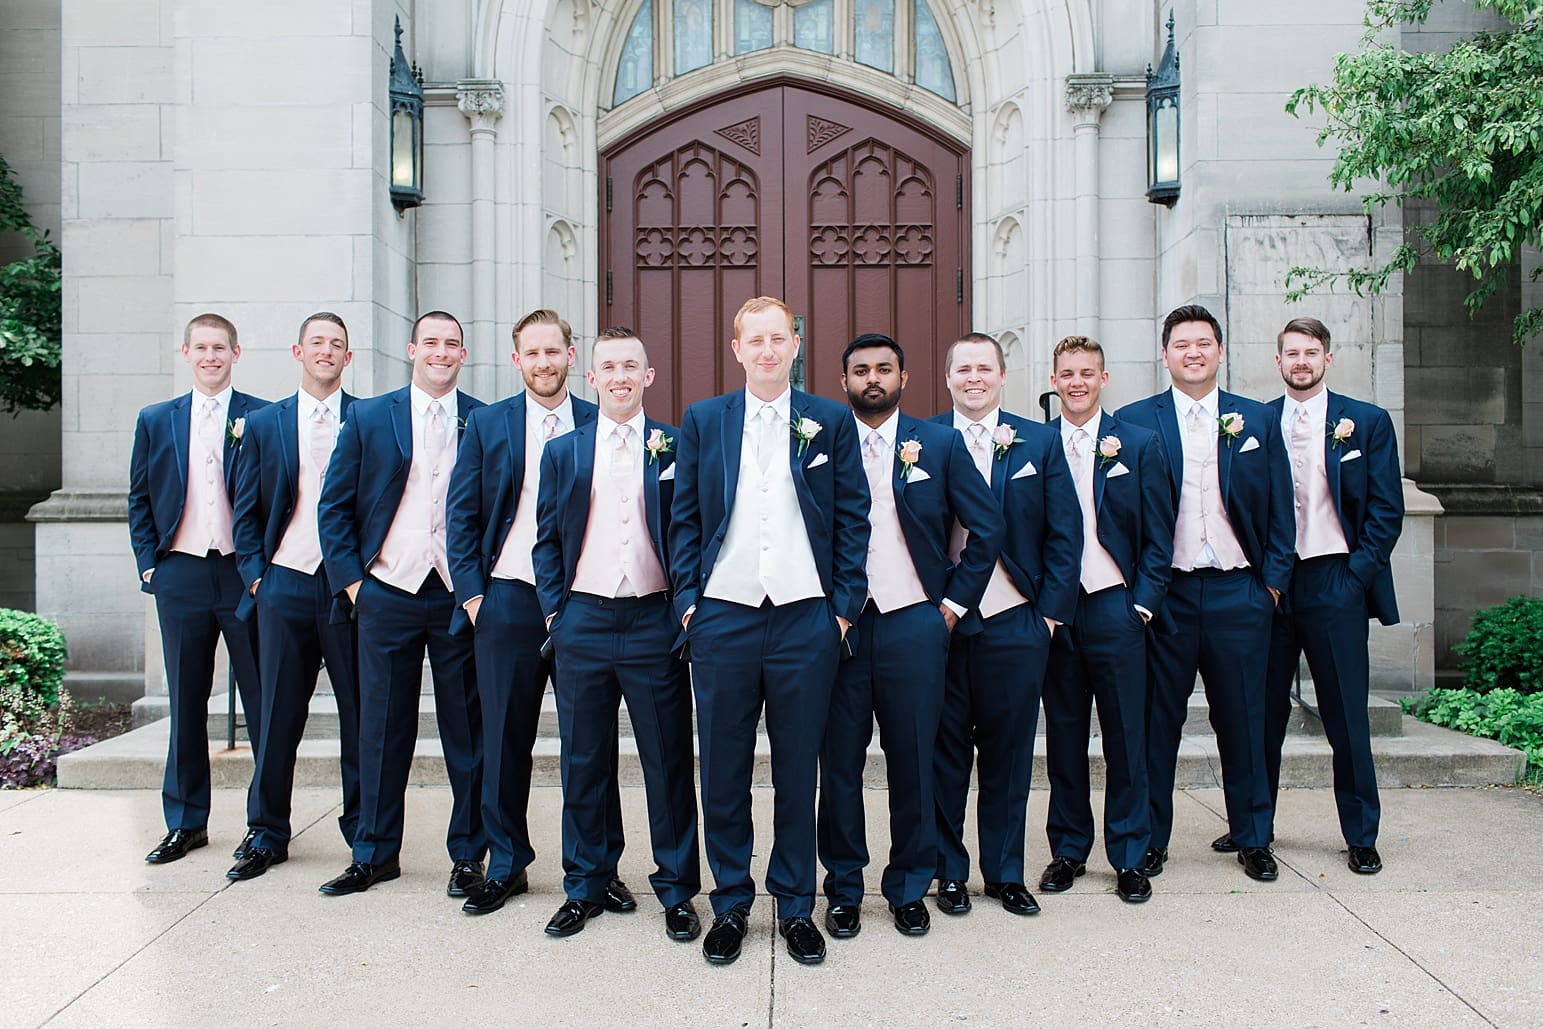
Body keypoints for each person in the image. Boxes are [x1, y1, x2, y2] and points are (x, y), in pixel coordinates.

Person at [669, 296, 870, 967]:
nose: (766, 349)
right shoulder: (704, 420)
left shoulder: (829, 421)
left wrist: (841, 609)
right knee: (723, 768)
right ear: (736, 349)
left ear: (794, 345)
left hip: (804, 616)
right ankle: (730, 900)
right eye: (754, 339)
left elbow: (853, 517)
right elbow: (684, 518)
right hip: (722, 615)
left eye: (777, 338)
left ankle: (794, 903)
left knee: (796, 768)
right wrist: (690, 605)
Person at [444, 309, 631, 917]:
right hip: (508, 600)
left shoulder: (600, 418)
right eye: (533, 353)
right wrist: (475, 598)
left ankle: (600, 868)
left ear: (572, 356)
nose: (544, 363)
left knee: (591, 743)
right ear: (516, 359)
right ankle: (506, 863)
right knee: (503, 738)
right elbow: (462, 514)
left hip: (582, 602)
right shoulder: (487, 423)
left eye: (554, 351)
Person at [817, 333, 1002, 939]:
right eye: (860, 371)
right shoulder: (819, 442)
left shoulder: (940, 444)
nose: (872, 378)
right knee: (838, 765)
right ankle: (844, 887)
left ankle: (908, 885)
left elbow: (987, 527)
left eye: (884, 369)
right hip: (839, 628)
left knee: (915, 761)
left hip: (915, 623)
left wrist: (949, 607)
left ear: (905, 378)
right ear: (843, 382)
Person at [533, 327, 701, 941]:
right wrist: (555, 614)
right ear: (592, 377)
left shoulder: (676, 445)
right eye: (609, 367)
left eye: (632, 365)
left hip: (655, 619)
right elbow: (545, 540)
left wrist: (685, 610)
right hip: (583, 619)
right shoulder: (564, 451)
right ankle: (585, 883)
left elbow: (692, 529)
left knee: (667, 761)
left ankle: (677, 890)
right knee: (583, 761)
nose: (620, 376)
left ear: (648, 376)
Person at [1116, 304, 1294, 882]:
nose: (1192, 353)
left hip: (1239, 593)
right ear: (1164, 354)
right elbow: (1120, 514)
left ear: (1220, 351)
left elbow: (1281, 506)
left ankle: (1253, 835)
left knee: (1244, 720)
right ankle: (1150, 840)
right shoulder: (1133, 421)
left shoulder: (1256, 419)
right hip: (1164, 596)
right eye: (1181, 344)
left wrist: (1270, 587)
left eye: (1203, 343)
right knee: (1155, 724)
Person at [315, 311, 487, 897]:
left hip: (457, 596)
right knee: (382, 729)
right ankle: (373, 853)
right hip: (386, 591)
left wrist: (477, 589)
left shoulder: (482, 419)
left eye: (452, 344)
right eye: (430, 342)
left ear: (463, 354)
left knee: (467, 732)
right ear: (412, 350)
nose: (441, 352)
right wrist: (355, 585)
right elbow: (333, 507)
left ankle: (468, 855)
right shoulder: (369, 416)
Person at [931, 332, 1081, 917]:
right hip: (943, 625)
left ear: (1001, 376)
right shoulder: (922, 441)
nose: (973, 377)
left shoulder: (1039, 442)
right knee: (943, 755)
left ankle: (1004, 873)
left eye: (984, 368)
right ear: (948, 378)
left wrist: (1048, 619)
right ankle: (949, 872)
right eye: (963, 368)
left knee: (1010, 756)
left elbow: (1065, 534)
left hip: (1017, 621)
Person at [1256, 317, 1403, 874]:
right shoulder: (1255, 422)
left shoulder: (1366, 422)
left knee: (1345, 714)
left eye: (1311, 352)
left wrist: (1355, 578)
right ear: (1278, 361)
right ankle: (1254, 827)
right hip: (1273, 585)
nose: (1301, 362)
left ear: (1328, 358)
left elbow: (1386, 509)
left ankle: (1361, 834)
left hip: (1334, 579)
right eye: (1292, 353)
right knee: (1261, 714)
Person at [129, 313, 268, 865]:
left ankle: (265, 825)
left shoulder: (261, 416)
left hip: (242, 574)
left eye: (220, 348)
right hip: (181, 574)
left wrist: (263, 570)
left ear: (236, 353)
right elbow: (140, 497)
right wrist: (150, 566)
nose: (211, 357)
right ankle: (186, 823)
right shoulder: (156, 419)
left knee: (263, 702)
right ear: (185, 352)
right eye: (202, 348)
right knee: (186, 701)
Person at [1040, 335, 1174, 903]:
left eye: (1086, 373)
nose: (1077, 383)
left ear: (1104, 378)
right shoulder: (1036, 444)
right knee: (1064, 737)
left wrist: (1140, 605)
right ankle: (1069, 849)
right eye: (1067, 374)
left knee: (1126, 737)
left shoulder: (1137, 444)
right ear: (1054, 380)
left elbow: (1160, 535)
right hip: (1057, 614)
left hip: (1116, 607)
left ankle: (1129, 854)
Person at [227, 312, 361, 881]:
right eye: (317, 342)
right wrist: (258, 578)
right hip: (284, 584)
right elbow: (245, 508)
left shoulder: (368, 418)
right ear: (298, 352)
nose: (326, 351)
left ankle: (365, 835)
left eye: (337, 344)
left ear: (348, 358)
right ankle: (266, 832)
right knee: (277, 715)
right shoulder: (264, 423)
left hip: (348, 590)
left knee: (361, 716)